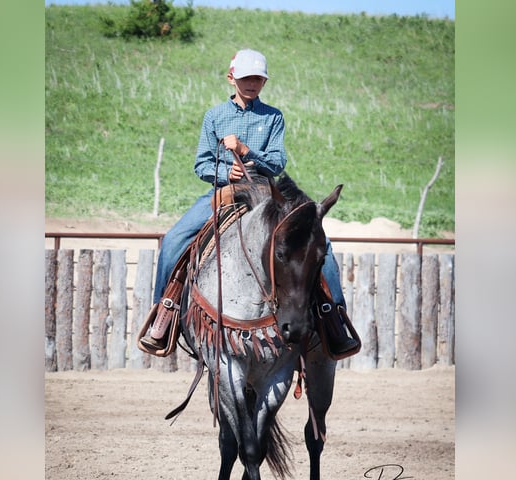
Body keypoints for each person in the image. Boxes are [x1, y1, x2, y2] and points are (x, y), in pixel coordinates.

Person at [140, 49, 359, 359]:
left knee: (321, 245)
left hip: (266, 194)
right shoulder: (214, 116)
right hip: (225, 192)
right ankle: (165, 311)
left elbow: (278, 162)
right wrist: (222, 170)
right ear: (232, 78)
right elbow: (201, 164)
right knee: (175, 239)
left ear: (264, 82)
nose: (252, 83)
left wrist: (247, 152)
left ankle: (333, 317)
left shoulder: (273, 117)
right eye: (246, 78)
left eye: (258, 78)